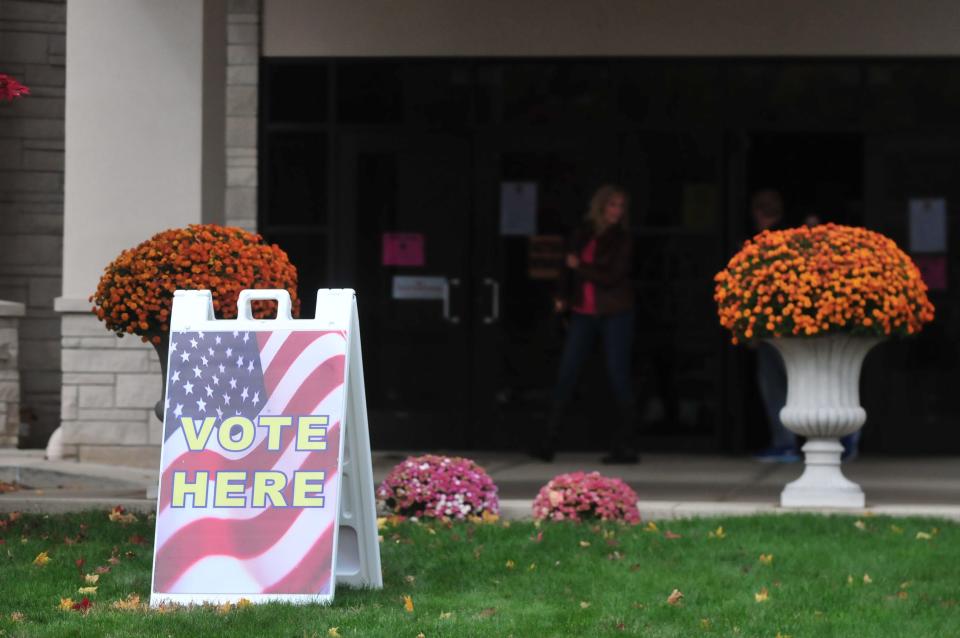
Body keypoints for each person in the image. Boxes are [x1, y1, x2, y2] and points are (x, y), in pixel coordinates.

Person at [530, 184, 637, 464]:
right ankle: (547, 442)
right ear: (601, 206)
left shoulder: (622, 238)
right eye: (612, 205)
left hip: (615, 312)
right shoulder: (583, 233)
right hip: (583, 312)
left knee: (617, 374)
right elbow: (567, 268)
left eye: (621, 206)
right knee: (567, 371)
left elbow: (613, 276)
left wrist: (581, 267)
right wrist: (562, 296)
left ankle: (625, 445)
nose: (617, 211)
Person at [750, 189, 800, 463]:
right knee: (788, 383)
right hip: (782, 326)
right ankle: (785, 442)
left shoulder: (771, 243)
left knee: (780, 385)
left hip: (777, 327)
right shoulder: (791, 239)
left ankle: (786, 443)